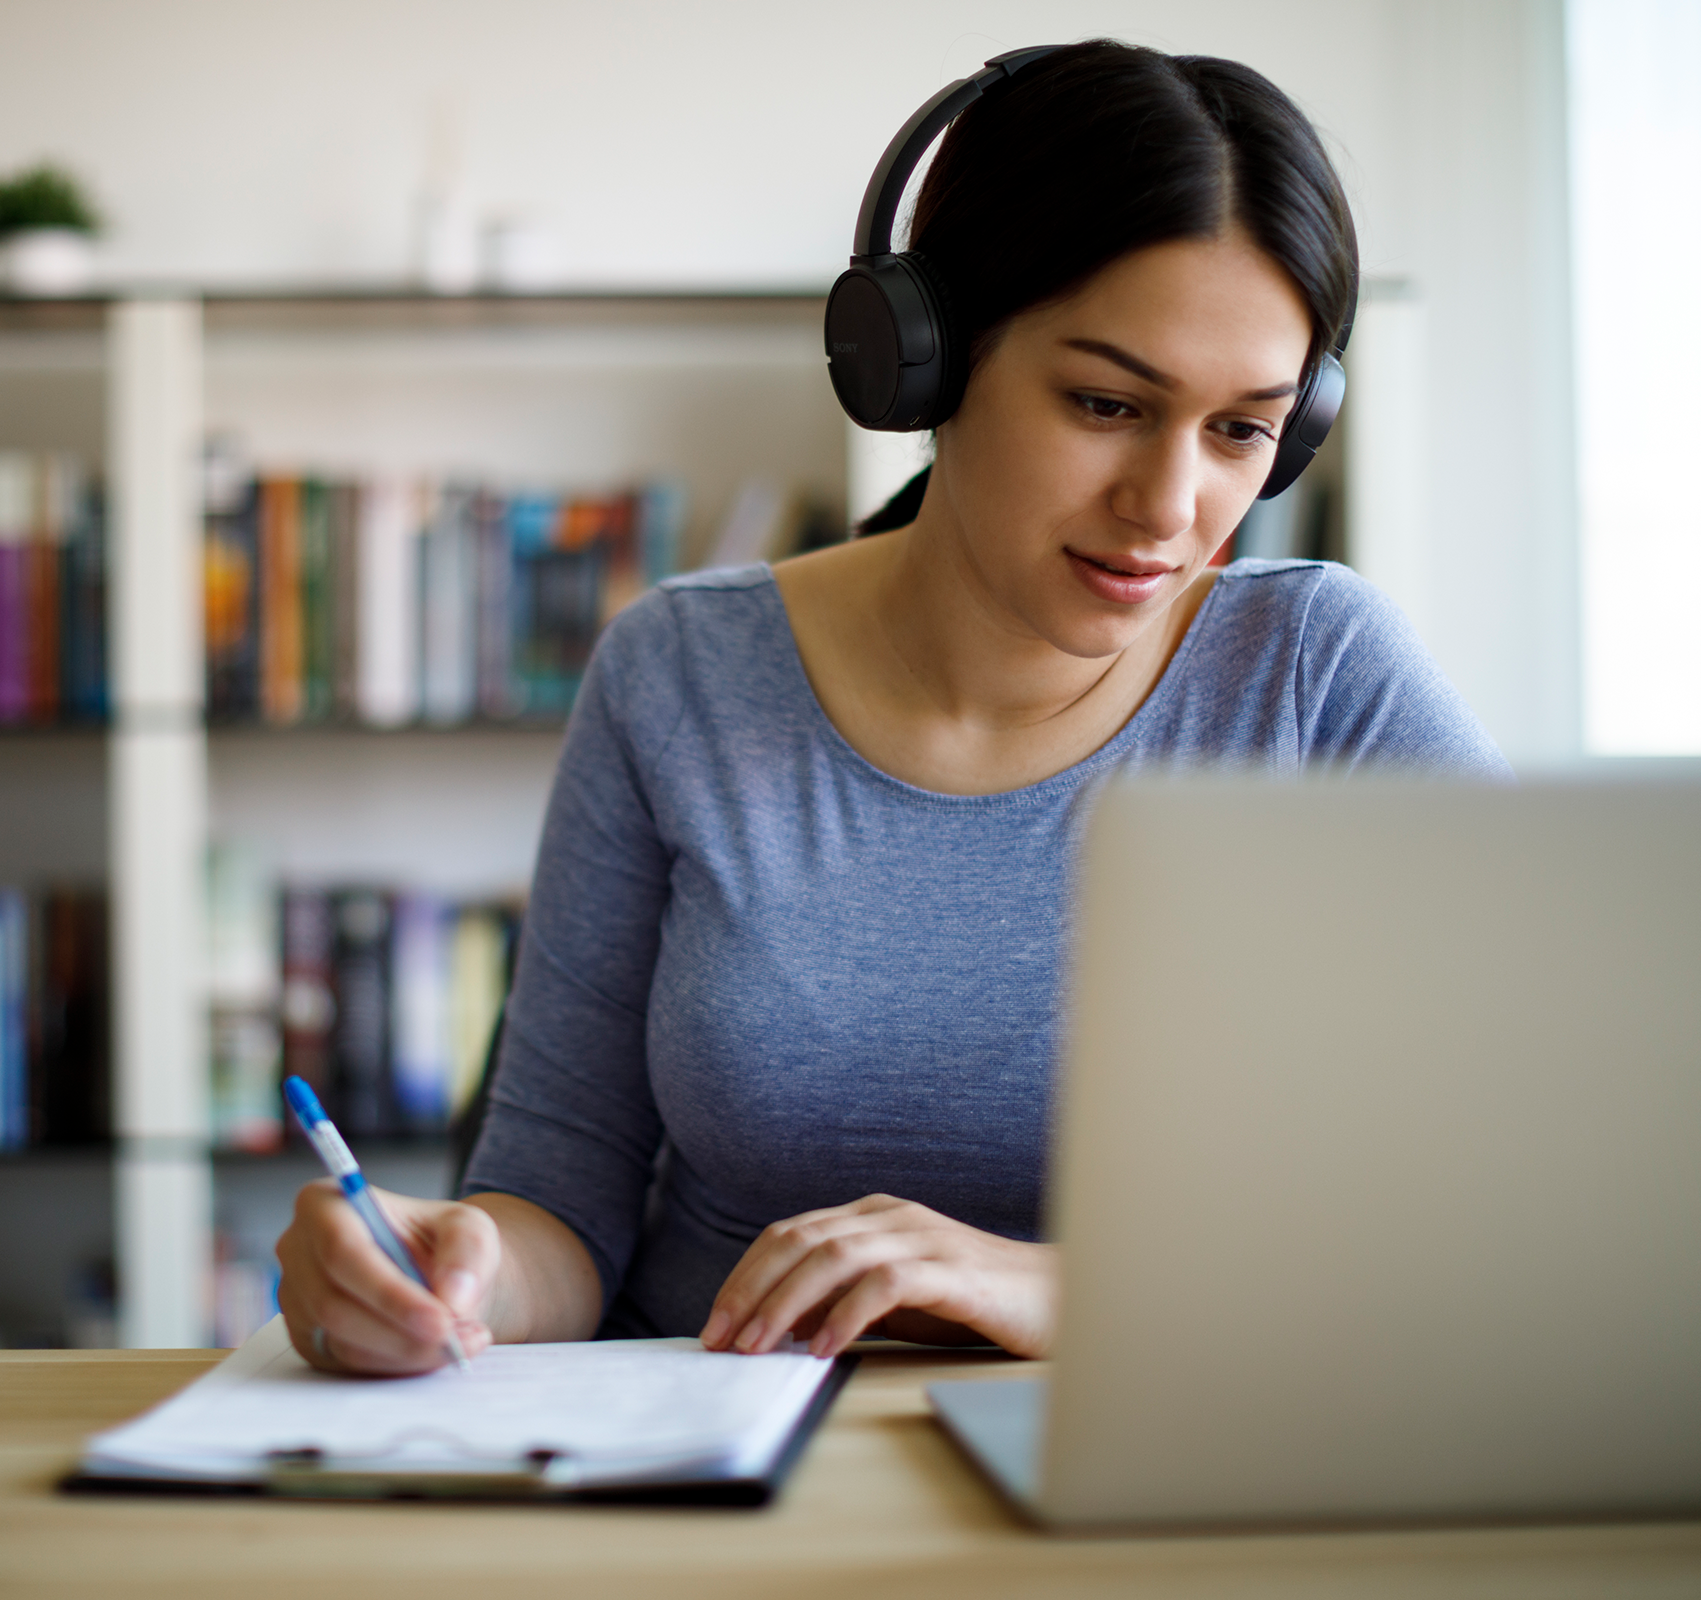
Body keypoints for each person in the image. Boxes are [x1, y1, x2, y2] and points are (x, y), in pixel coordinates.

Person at [274, 39, 1510, 1375]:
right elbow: (556, 1206)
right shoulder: (677, 673)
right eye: (1106, 402)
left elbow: (1543, 1174)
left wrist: (1056, 1289)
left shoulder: (1315, 680)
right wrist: (449, 1268)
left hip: (1160, 1478)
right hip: (720, 1475)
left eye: (1240, 431)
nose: (1170, 508)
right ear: (922, 357)